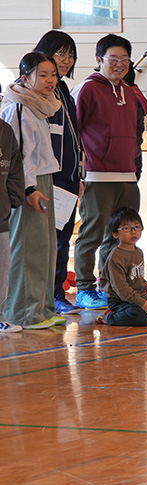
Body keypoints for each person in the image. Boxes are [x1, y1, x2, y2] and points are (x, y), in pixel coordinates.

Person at [73, 34, 142, 310]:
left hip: (127, 177)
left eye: (125, 59)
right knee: (92, 234)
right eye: (113, 59)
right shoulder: (87, 89)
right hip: (96, 176)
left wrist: (135, 167)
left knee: (121, 234)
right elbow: (73, 133)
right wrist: (79, 174)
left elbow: (135, 135)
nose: (119, 64)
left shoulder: (130, 93)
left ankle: (111, 286)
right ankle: (84, 288)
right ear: (99, 59)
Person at [0, 53, 66, 330]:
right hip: (29, 185)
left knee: (44, 248)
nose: (51, 80)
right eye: (43, 75)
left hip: (44, 179)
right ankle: (24, 312)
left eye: (54, 74)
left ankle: (42, 308)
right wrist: (28, 190)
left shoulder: (41, 105)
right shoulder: (19, 107)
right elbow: (19, 156)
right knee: (27, 249)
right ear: (26, 78)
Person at [33, 31, 85, 316]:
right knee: (44, 242)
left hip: (68, 179)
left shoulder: (64, 90)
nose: (66, 60)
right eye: (61, 54)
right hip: (45, 180)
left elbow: (73, 135)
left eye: (71, 55)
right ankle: (38, 298)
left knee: (62, 241)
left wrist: (78, 174)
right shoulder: (33, 93)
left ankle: (56, 295)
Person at [97, 207, 147, 326]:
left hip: (141, 297)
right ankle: (109, 316)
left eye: (137, 227)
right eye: (127, 228)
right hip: (120, 301)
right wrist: (142, 303)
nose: (133, 231)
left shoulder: (139, 252)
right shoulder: (116, 256)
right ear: (115, 234)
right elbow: (120, 288)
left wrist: (143, 301)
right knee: (139, 317)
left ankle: (140, 314)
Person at [0, 85, 26, 333]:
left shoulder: (5, 131)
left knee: (2, 268)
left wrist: (12, 199)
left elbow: (15, 168)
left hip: (1, 216)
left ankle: (0, 316)